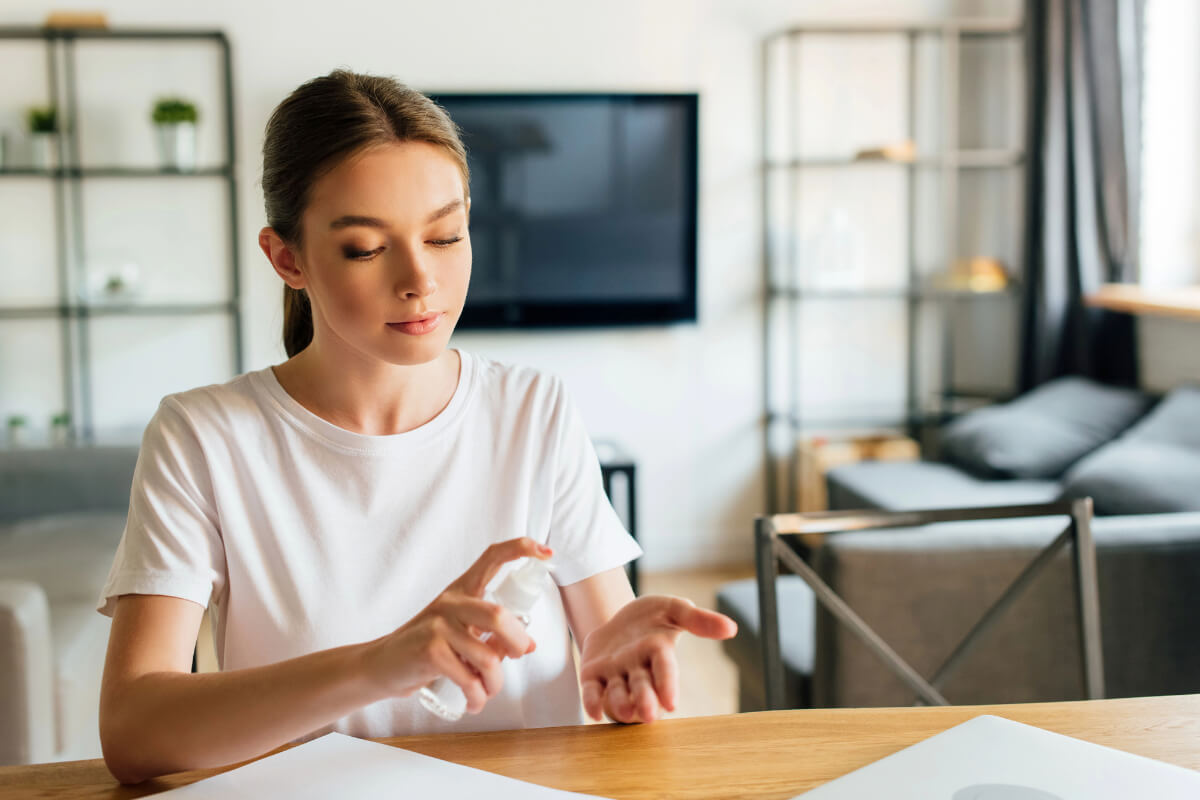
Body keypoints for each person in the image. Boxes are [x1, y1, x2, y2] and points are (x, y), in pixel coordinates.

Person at [95, 69, 737, 785]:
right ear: (287, 258)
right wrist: (380, 662)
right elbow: (133, 729)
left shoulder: (532, 410)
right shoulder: (204, 437)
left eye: (446, 235)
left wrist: (622, 677)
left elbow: (608, 638)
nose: (420, 279)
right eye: (367, 248)